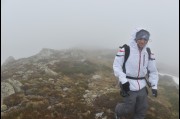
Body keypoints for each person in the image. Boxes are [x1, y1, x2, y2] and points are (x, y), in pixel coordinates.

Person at [113, 28, 159, 119]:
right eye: (140, 39)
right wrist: (124, 81)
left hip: (142, 85)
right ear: (135, 38)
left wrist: (154, 86)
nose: (142, 41)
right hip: (128, 84)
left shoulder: (148, 52)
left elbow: (153, 71)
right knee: (128, 108)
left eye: (145, 39)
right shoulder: (126, 49)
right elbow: (116, 66)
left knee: (142, 109)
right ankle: (118, 110)